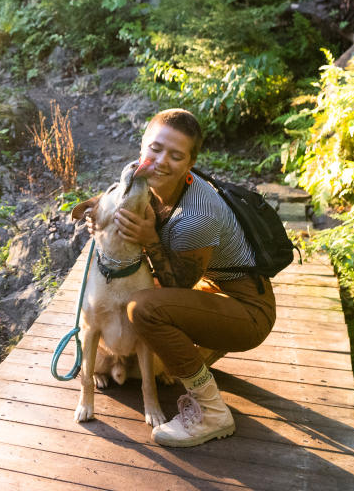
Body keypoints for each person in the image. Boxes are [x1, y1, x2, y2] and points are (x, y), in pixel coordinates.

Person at [86, 108, 276, 447]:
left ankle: (212, 412)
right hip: (212, 288)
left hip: (246, 308)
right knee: (143, 302)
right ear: (142, 147)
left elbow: (175, 287)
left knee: (143, 308)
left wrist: (149, 240)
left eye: (176, 156)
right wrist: (100, 221)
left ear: (189, 164)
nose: (160, 161)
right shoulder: (158, 187)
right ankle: (201, 353)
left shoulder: (195, 217)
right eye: (155, 149)